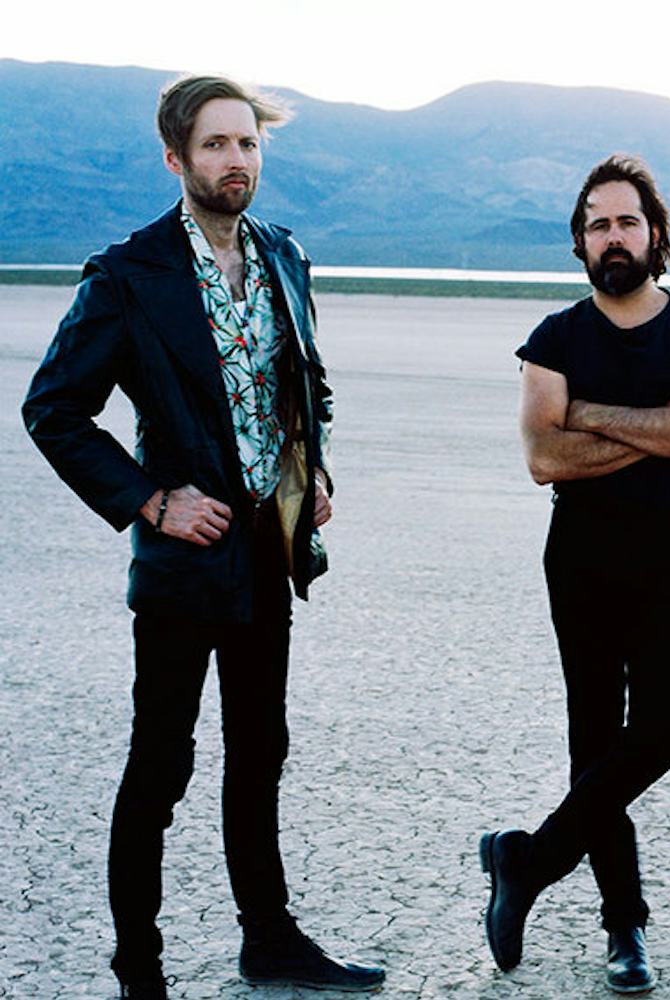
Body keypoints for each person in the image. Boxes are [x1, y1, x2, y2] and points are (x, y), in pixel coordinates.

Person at [22, 75, 385, 999]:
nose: (236, 161)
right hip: (186, 563)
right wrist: (151, 501)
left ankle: (269, 940)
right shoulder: (130, 274)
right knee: (164, 760)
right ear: (176, 158)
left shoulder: (282, 256)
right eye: (216, 144)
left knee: (261, 748)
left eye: (248, 144)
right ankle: (138, 966)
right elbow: (54, 410)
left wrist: (315, 472)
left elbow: (308, 384)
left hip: (269, 553)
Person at [479, 154, 670, 993]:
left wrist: (590, 415)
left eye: (627, 221)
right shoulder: (556, 338)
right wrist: (654, 420)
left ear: (655, 233)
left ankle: (524, 860)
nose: (613, 236)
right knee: (595, 744)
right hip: (582, 562)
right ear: (580, 242)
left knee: (659, 737)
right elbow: (542, 456)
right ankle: (622, 926)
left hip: (669, 556)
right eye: (597, 223)